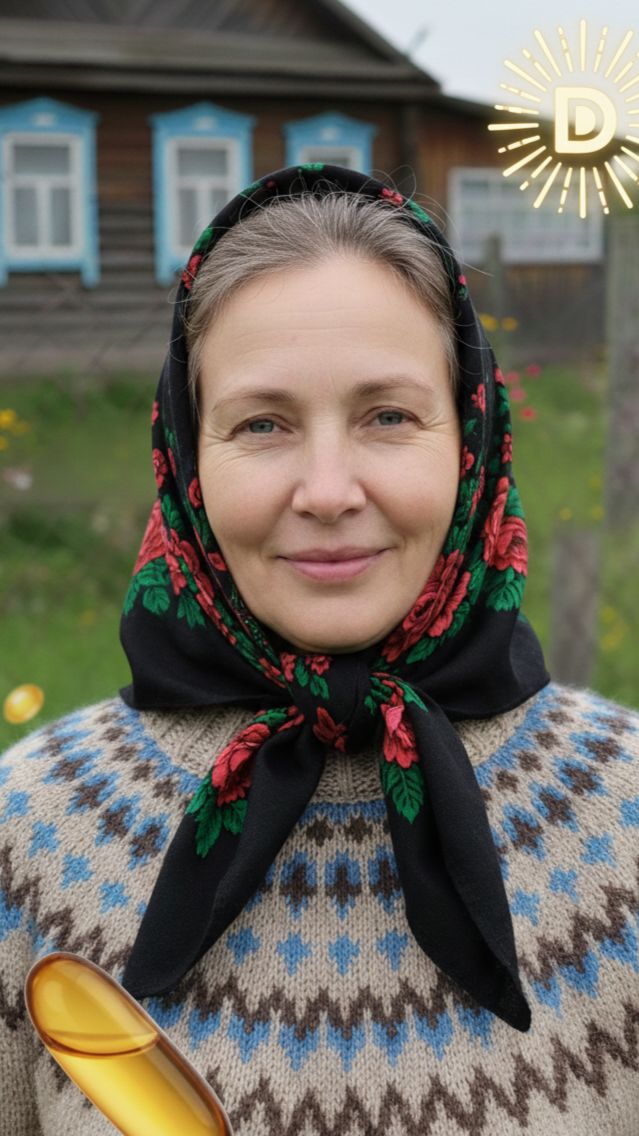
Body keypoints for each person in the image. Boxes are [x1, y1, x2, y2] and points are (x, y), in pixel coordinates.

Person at [0, 163, 637, 1136]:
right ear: (186, 451)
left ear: (471, 437)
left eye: (388, 416)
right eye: (262, 423)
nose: (329, 490)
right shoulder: (29, 833)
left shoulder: (625, 820)